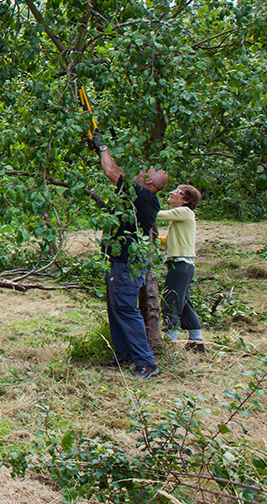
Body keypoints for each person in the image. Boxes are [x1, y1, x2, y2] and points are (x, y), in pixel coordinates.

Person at [96, 137, 168, 379]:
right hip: (120, 261)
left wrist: (102, 147)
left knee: (125, 308)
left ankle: (147, 363)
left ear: (147, 181)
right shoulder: (141, 196)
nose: (136, 172)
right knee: (116, 307)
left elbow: (111, 171)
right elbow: (118, 170)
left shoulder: (142, 196)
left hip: (126, 263)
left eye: (142, 171)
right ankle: (124, 354)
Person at [157, 184, 204, 352]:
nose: (171, 193)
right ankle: (196, 340)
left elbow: (158, 215)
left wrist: (144, 206)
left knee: (171, 300)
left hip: (180, 264)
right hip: (184, 265)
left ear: (185, 200)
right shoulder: (182, 216)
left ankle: (170, 340)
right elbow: (169, 240)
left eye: (177, 192)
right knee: (183, 301)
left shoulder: (184, 212)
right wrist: (157, 240)